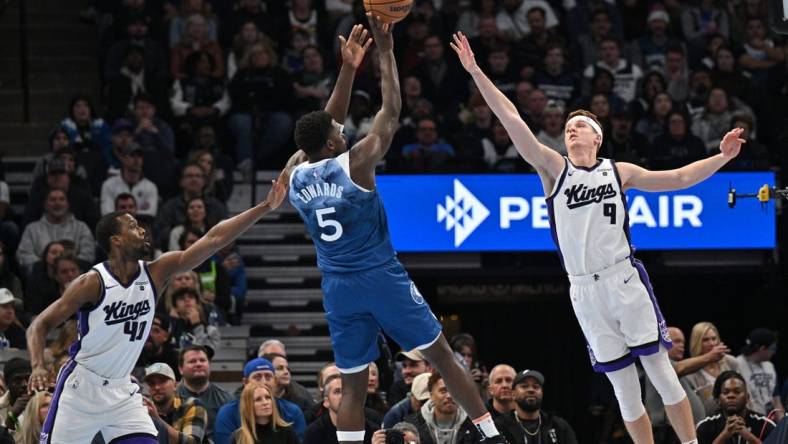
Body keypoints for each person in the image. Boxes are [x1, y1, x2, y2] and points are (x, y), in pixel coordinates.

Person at [451, 31, 745, 444]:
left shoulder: (619, 171)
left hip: (622, 278)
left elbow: (679, 178)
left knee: (659, 371)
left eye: (580, 126)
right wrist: (476, 72)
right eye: (568, 127)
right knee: (624, 390)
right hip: (583, 290)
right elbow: (512, 119)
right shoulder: (553, 168)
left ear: (597, 137)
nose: (571, 130)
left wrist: (722, 157)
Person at [287, 16, 506, 444]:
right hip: (380, 276)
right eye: (338, 131)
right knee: (442, 357)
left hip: (337, 286)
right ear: (332, 143)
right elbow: (391, 111)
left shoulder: (295, 174)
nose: (343, 127)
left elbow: (322, 127)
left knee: (352, 385)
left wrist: (349, 68)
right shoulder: (358, 162)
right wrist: (386, 52)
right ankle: (491, 435)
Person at [25, 175, 287, 443]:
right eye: (133, 227)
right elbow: (38, 325)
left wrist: (265, 206)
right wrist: (37, 366)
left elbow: (214, 238)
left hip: (121, 391)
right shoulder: (92, 283)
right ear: (116, 240)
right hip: (81, 390)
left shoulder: (157, 272)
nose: (142, 231)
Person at [213, 357, 307, 444]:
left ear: (275, 380)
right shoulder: (227, 413)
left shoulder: (292, 411)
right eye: (257, 377)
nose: (264, 382)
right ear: (245, 383)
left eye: (268, 377)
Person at [493, 370, 578, 444]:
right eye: (524, 386)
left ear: (542, 393)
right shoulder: (500, 426)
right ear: (513, 394)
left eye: (536, 387)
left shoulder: (559, 426)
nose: (531, 390)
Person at [695, 371, 775, 444]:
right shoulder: (705, 426)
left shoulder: (765, 424)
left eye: (737, 391)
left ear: (747, 397)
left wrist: (749, 437)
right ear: (718, 399)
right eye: (725, 392)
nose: (731, 395)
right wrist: (724, 435)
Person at [404, 371, 482, 443]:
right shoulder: (411, 426)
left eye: (454, 391)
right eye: (443, 391)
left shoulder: (476, 425)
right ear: (431, 395)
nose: (449, 396)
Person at [176, 345, 233, 439]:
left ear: (210, 366)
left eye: (202, 360)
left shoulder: (227, 399)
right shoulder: (171, 398)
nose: (198, 364)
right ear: (181, 369)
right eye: (192, 361)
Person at [143, 362, 207, 444]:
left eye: (162, 381)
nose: (157, 387)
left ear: (175, 385)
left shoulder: (192, 405)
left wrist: (157, 420)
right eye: (152, 383)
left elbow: (192, 442)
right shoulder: (144, 410)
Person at [303, 374, 378, 444]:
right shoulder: (314, 432)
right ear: (326, 402)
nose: (343, 396)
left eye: (347, 391)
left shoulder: (372, 431)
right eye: (337, 392)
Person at [735, 328, 783, 418]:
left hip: (769, 422)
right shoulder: (736, 365)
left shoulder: (770, 366)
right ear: (762, 348)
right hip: (748, 420)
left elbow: (776, 400)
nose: (774, 353)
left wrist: (782, 426)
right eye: (772, 348)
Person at [232, 383, 298, 444]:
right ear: (248, 405)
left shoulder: (287, 432)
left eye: (268, 397)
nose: (265, 402)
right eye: (258, 399)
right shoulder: (240, 437)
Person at [0, 358, 32, 433]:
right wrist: (12, 417)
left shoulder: (44, 404)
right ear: (7, 384)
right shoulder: (1, 408)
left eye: (28, 379)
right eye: (18, 380)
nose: (25, 384)